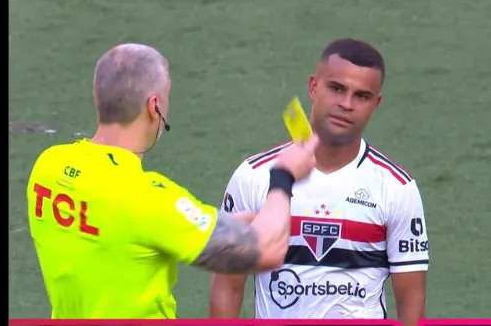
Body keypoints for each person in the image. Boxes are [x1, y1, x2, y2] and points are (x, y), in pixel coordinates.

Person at [27, 43, 318, 319]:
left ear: (97, 95)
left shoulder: (48, 166)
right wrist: (284, 175)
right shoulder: (148, 198)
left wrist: (235, 222)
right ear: (154, 106)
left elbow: (121, 226)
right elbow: (267, 252)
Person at [209, 38, 429, 326]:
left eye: (361, 96)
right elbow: (228, 286)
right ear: (314, 87)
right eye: (336, 88)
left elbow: (411, 300)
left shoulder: (397, 188)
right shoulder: (253, 177)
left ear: (375, 104)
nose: (346, 104)